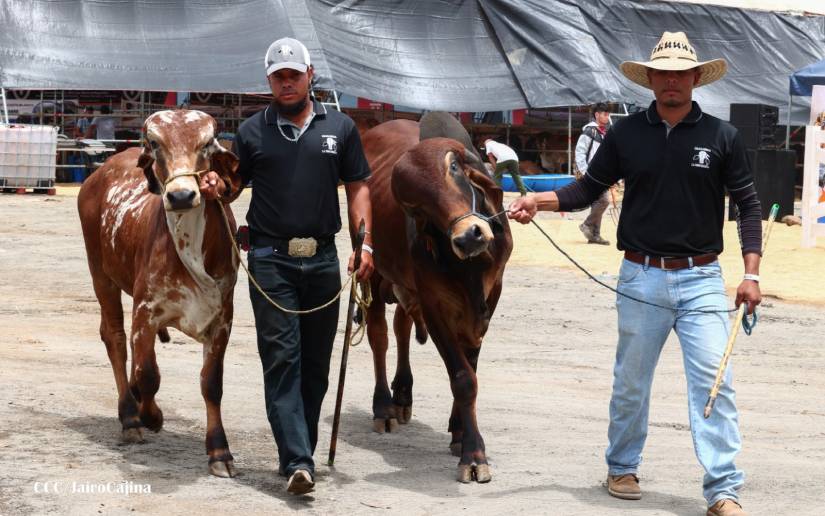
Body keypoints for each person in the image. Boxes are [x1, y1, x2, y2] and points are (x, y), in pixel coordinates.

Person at [508, 31, 762, 516]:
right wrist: (536, 201)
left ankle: (723, 490)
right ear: (650, 80)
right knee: (631, 380)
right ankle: (622, 465)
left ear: (694, 78)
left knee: (715, 381)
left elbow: (748, 207)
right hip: (640, 276)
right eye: (662, 73)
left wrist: (750, 274)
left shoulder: (722, 137)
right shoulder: (625, 134)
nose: (671, 81)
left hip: (703, 278)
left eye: (680, 73)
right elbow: (587, 189)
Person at [199, 37, 374, 495]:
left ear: (310, 74)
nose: (288, 81)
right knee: (282, 359)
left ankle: (297, 453)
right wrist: (219, 184)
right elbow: (233, 187)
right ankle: (300, 459)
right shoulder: (252, 132)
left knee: (315, 366)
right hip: (270, 259)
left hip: (322, 259)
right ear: (269, 81)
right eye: (279, 76)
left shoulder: (341, 127)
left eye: (295, 73)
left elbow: (358, 188)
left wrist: (365, 244)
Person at [575, 102, 612, 245]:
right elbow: (580, 152)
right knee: (604, 201)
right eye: (605, 114)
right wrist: (584, 171)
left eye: (608, 114)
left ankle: (594, 235)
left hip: (601, 173)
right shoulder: (589, 131)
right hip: (591, 173)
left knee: (598, 201)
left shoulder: (604, 132)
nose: (607, 117)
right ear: (597, 115)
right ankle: (587, 225)